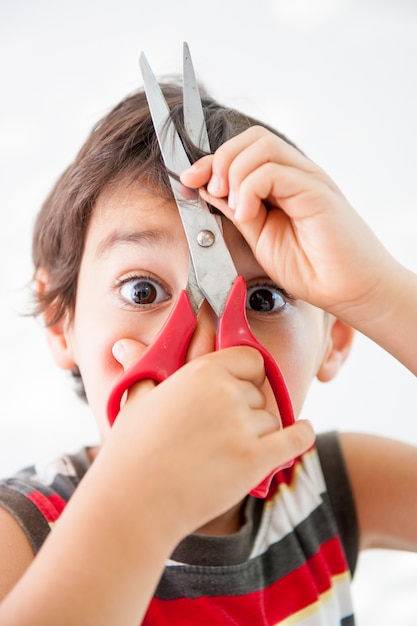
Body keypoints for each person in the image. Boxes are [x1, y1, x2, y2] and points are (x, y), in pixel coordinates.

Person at [0, 74, 416, 625]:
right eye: (142, 291)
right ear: (60, 320)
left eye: (263, 298)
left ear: (335, 337)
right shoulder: (22, 533)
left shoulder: (334, 488)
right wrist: (142, 504)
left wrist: (381, 293)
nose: (206, 352)